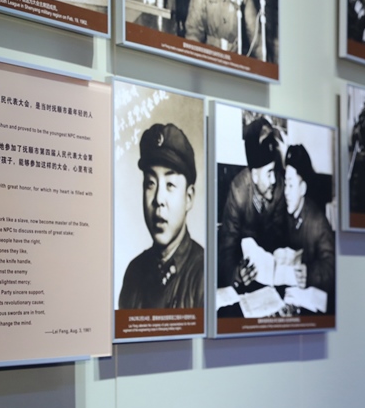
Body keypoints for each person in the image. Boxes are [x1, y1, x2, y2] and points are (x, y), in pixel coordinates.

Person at [118, 123, 204, 310]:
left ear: (189, 197)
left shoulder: (204, 273)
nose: (158, 199)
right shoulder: (134, 273)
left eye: (170, 184)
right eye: (150, 183)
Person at [217, 116, 286, 290]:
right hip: (244, 273)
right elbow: (227, 247)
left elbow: (280, 237)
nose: (274, 180)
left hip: (269, 275)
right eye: (268, 173)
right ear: (254, 175)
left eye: (274, 171)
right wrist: (237, 274)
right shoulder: (238, 192)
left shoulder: (279, 187)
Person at [281, 144, 335, 311]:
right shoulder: (283, 213)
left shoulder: (318, 222)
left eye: (291, 185)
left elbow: (332, 267)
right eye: (285, 184)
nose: (286, 192)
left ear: (302, 188)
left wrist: (310, 274)